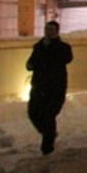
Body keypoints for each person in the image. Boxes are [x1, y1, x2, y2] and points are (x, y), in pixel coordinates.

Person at [26, 20, 73, 155]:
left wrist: (50, 49)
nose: (48, 32)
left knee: (48, 115)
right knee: (33, 113)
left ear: (56, 32)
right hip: (38, 87)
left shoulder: (63, 47)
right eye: (47, 29)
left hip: (55, 88)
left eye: (51, 30)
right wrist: (30, 65)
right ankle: (49, 134)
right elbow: (31, 62)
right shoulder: (38, 46)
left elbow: (66, 59)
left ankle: (47, 148)